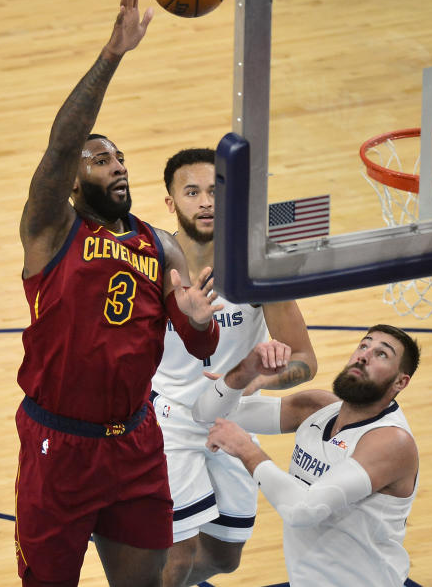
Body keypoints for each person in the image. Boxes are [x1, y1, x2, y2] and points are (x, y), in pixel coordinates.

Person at [14, 0, 225, 587]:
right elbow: (59, 145)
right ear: (75, 180)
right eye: (100, 159)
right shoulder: (52, 228)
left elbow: (202, 347)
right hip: (60, 443)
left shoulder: (158, 245)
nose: (117, 165)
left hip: (135, 441)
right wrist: (112, 56)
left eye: (121, 157)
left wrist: (196, 319)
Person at [152, 147, 319, 587]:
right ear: (170, 203)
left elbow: (305, 361)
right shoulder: (148, 267)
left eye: (213, 191)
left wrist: (254, 379)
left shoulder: (256, 269)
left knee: (225, 558)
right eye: (191, 192)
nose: (205, 201)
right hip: (165, 417)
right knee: (178, 554)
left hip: (230, 416)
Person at [196, 324, 421, 587]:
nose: (364, 355)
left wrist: (246, 450)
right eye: (364, 345)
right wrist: (243, 374)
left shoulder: (391, 442)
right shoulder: (317, 408)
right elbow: (205, 415)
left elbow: (303, 510)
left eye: (381, 354)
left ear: (400, 381)